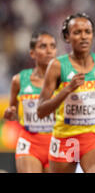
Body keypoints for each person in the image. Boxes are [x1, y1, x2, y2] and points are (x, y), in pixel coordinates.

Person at [37, 13, 95, 173]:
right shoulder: (56, 66)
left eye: (87, 32)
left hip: (93, 137)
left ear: (93, 35)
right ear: (67, 37)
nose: (83, 37)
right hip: (64, 138)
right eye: (77, 32)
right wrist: (67, 89)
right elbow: (41, 111)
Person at [3, 30, 57, 173]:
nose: (49, 51)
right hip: (30, 142)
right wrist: (10, 113)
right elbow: (13, 113)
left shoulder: (64, 80)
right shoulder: (19, 80)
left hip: (58, 142)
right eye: (43, 46)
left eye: (52, 46)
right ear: (32, 53)